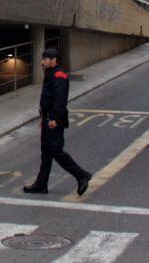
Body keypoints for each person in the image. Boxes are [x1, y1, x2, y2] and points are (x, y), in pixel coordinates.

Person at [23, 48, 92, 195]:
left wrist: (53, 117)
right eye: (42, 59)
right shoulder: (50, 74)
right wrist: (45, 118)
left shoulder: (58, 75)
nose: (42, 62)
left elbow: (60, 99)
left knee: (56, 151)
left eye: (45, 59)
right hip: (48, 118)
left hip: (55, 120)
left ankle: (81, 175)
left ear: (54, 60)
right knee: (46, 152)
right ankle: (41, 184)